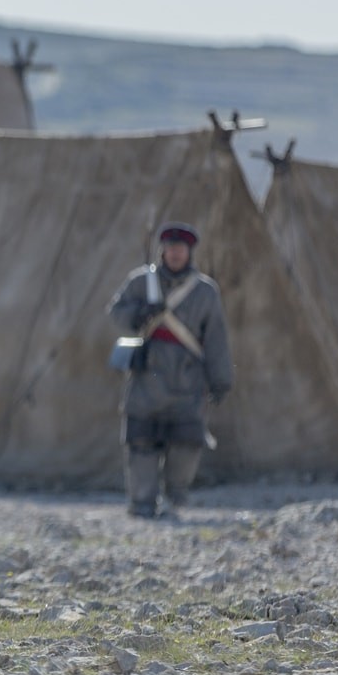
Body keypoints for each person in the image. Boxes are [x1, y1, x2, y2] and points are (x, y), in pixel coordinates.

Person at [107, 221, 233, 518]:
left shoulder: (205, 291)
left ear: (189, 252)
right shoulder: (141, 281)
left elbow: (216, 338)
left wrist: (221, 379)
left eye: (181, 248)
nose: (175, 253)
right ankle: (142, 503)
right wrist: (140, 314)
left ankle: (176, 500)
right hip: (147, 377)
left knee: (187, 443)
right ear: (163, 249)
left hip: (187, 378)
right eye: (171, 247)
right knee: (141, 442)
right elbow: (116, 312)